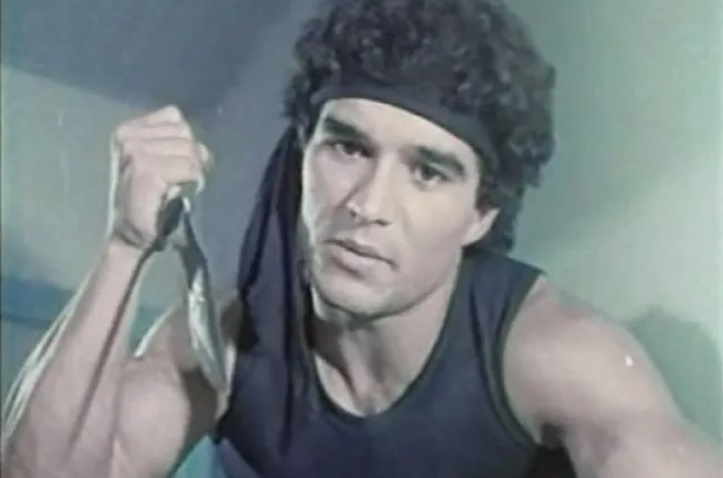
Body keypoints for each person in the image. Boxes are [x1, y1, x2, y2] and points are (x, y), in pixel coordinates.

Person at [2, 0, 722, 477]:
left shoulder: (553, 356)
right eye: (347, 147)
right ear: (303, 153)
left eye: (427, 172)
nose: (367, 205)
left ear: (480, 215)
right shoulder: (226, 339)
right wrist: (126, 243)